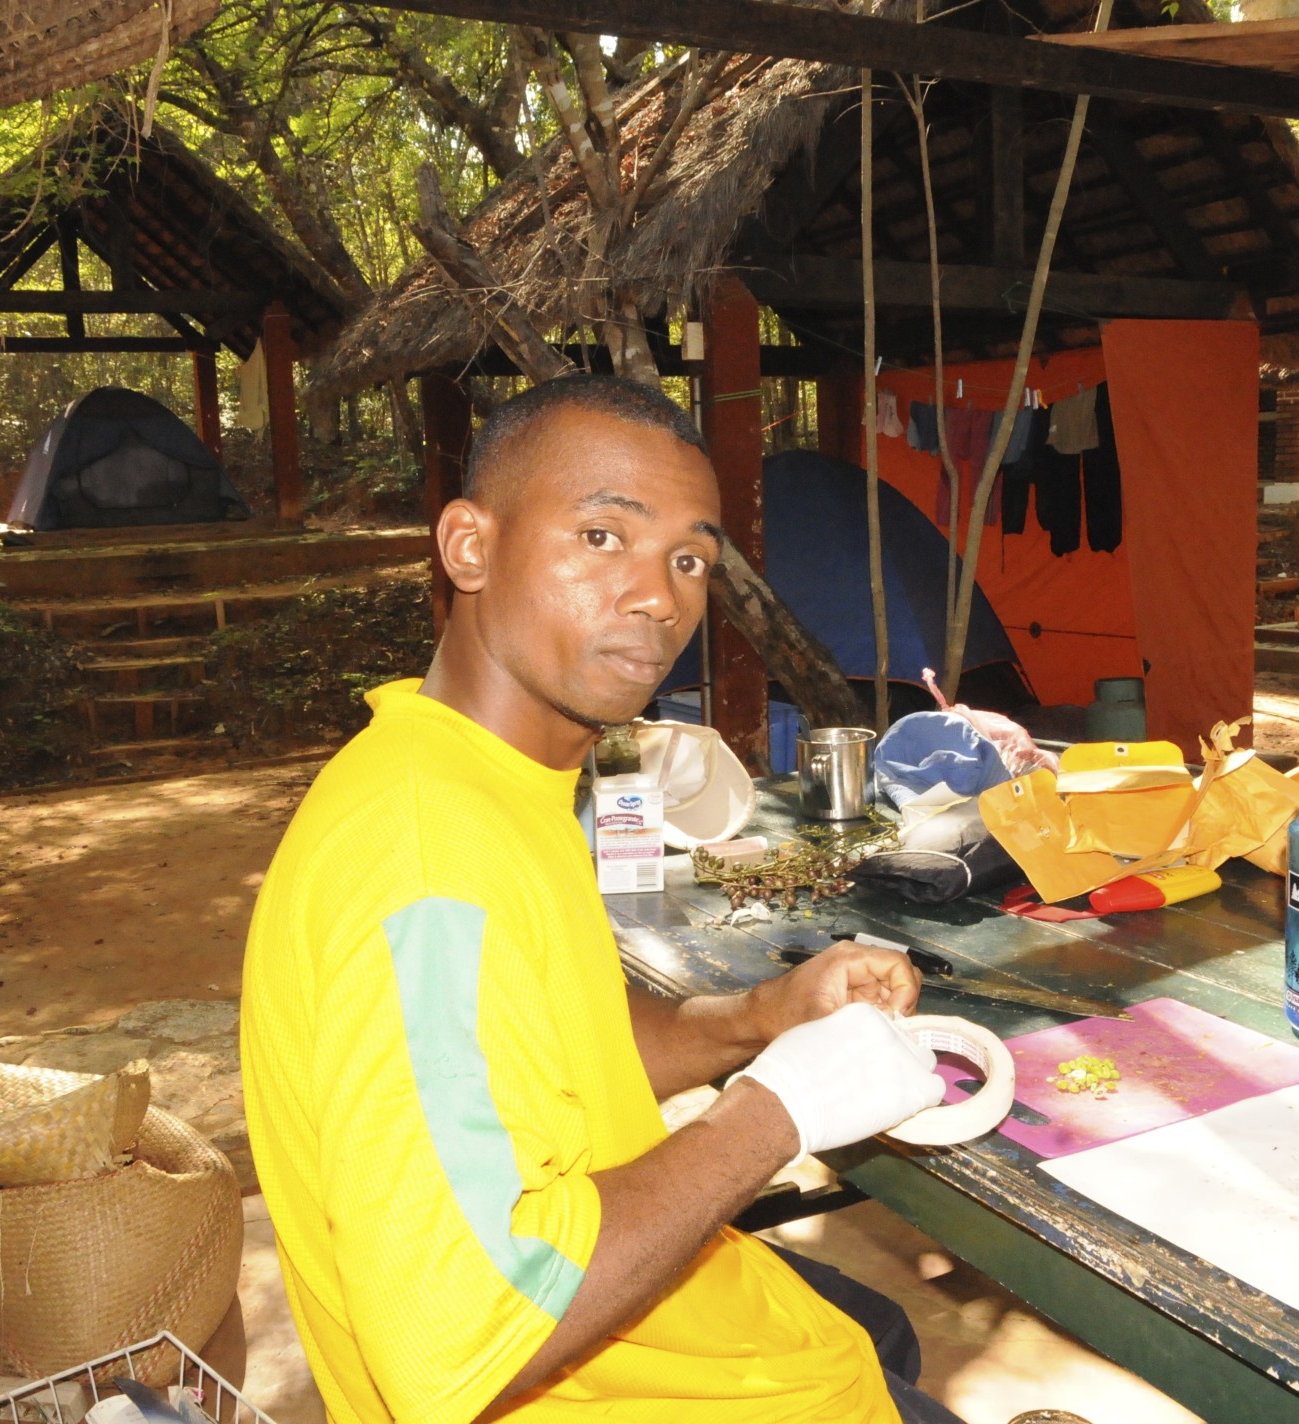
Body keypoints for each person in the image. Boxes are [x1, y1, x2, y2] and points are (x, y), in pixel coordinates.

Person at [242, 374, 958, 1423]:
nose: (659, 596)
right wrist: (777, 1110)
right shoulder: (422, 857)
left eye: (688, 560)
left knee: (868, 1328)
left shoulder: (482, 775)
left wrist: (763, 1017)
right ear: (469, 547)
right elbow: (459, 1324)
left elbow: (551, 1052)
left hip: (682, 1343)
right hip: (593, 1383)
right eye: (598, 537)